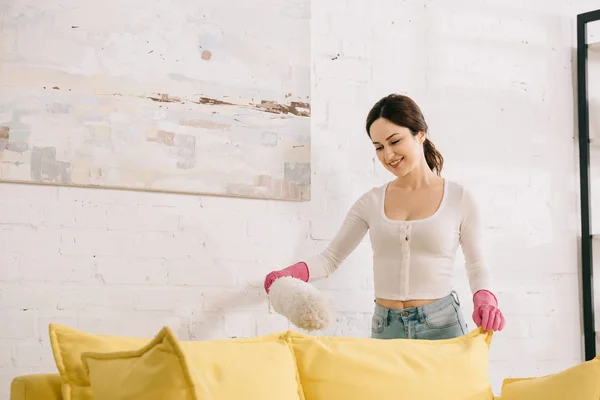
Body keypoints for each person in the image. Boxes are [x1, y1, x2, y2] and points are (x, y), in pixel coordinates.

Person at [263, 93, 505, 340]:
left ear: (420, 134)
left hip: (442, 326)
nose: (388, 155)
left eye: (395, 141)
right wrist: (287, 275)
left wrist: (485, 298)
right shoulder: (372, 201)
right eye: (379, 147)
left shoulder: (458, 198)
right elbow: (330, 259)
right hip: (386, 328)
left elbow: (476, 267)